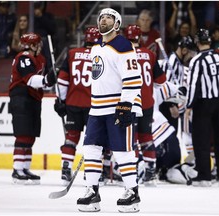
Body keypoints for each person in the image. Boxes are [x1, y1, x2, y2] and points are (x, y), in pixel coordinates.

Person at [76, 8, 142, 213]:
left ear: (117, 24)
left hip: (117, 107)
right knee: (91, 149)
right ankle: (92, 190)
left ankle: (132, 192)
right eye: (101, 17)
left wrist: (126, 104)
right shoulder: (95, 47)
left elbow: (133, 78)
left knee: (122, 151)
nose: (103, 19)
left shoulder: (123, 45)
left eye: (108, 17)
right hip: (96, 109)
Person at [184, 29, 219, 187]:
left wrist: (189, 105)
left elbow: (194, 85)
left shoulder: (197, 60)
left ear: (197, 42)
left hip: (203, 105)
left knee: (201, 140)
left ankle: (204, 176)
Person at [53, 26, 100, 186]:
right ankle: (90, 172)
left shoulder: (72, 54)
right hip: (93, 105)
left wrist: (61, 101)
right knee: (93, 141)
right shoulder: (101, 56)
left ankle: (66, 168)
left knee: (71, 137)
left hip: (73, 103)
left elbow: (63, 80)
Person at [9, 33, 57, 184]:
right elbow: (30, 79)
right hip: (21, 97)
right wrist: (46, 80)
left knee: (31, 135)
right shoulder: (23, 58)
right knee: (23, 134)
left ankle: (25, 168)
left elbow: (45, 82)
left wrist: (53, 77)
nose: (40, 46)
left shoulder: (41, 59)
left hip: (34, 98)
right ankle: (17, 169)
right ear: (31, 45)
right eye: (37, 44)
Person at [123, 24, 167, 186]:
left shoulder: (121, 54)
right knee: (146, 137)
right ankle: (150, 171)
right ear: (139, 37)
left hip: (129, 102)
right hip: (146, 103)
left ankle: (131, 172)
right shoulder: (150, 54)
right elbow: (161, 81)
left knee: (130, 139)